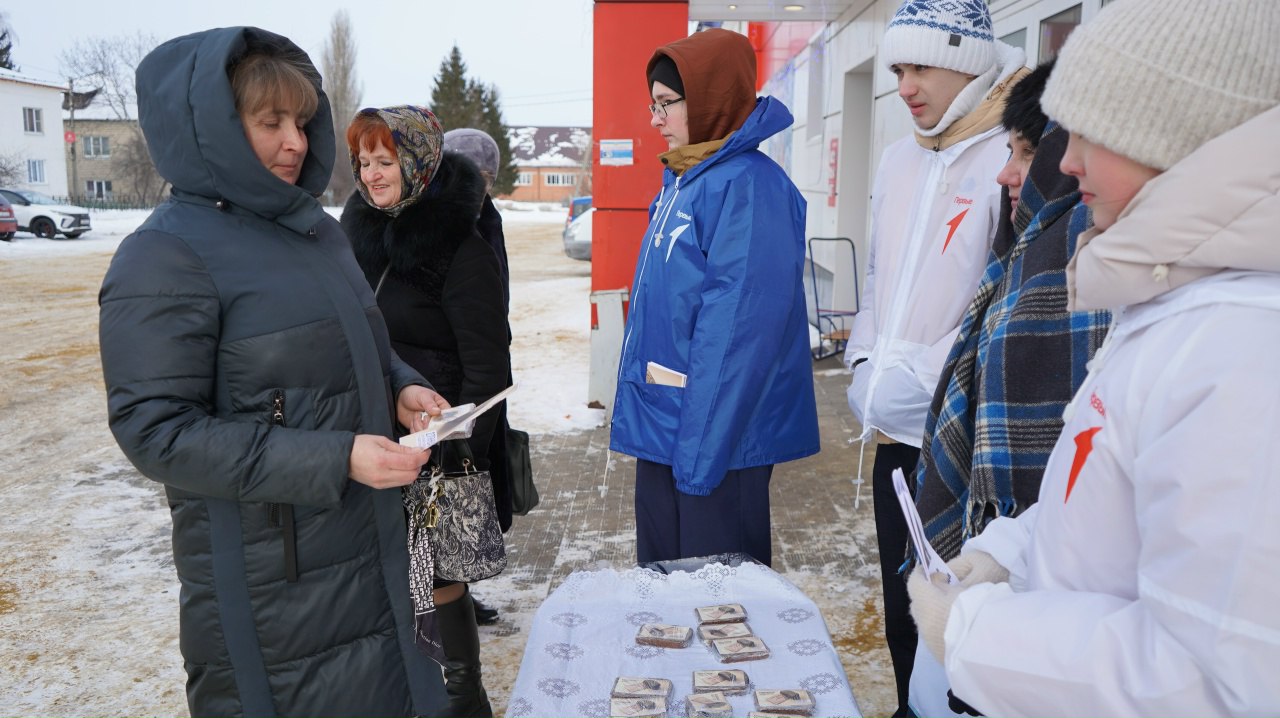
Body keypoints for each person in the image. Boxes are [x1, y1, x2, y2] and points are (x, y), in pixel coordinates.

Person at [907, 1, 1280, 715]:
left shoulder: (1244, 348)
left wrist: (980, 632)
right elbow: (1105, 505)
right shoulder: (1174, 296)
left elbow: (1215, 681)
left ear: (1176, 131)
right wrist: (1011, 554)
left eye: (1090, 131)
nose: (1066, 161)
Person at [98, 28, 450, 716]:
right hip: (274, 583)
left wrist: (400, 384)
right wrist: (335, 456)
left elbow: (358, 346)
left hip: (369, 542)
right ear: (213, 130)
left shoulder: (311, 231)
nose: (296, 142)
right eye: (271, 123)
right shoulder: (164, 256)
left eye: (302, 121)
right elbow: (155, 431)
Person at [841, 2, 1027, 712]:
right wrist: (864, 367)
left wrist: (925, 380)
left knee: (963, 627)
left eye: (920, 66)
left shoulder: (1007, 158)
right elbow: (878, 282)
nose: (905, 85)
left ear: (968, 62)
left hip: (963, 448)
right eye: (896, 69)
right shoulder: (897, 157)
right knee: (902, 612)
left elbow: (1002, 297)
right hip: (893, 442)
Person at [608, 28, 819, 568]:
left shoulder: (748, 186)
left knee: (719, 614)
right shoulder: (686, 178)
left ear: (708, 100)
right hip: (669, 431)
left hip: (715, 442)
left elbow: (737, 336)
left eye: (665, 104)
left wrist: (700, 460)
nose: (654, 119)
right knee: (664, 595)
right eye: (651, 104)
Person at [341, 106, 508, 718]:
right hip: (365, 449)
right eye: (363, 163)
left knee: (437, 589)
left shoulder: (459, 248)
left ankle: (464, 705)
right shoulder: (352, 237)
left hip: (432, 457)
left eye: (385, 161)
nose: (371, 176)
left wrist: (453, 450)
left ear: (416, 163)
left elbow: (490, 371)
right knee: (381, 597)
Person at [914, 59, 1111, 564]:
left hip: (1057, 546)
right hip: (1007, 539)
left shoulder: (1090, 256)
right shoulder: (1021, 248)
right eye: (1010, 151)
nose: (1005, 174)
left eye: (1028, 154)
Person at [442, 127, 511, 627]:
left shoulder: (490, 218)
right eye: (472, 174)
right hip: (447, 376)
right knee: (448, 488)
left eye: (488, 176)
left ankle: (460, 590)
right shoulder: (442, 223)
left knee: (475, 486)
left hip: (487, 370)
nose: (481, 185)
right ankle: (445, 597)